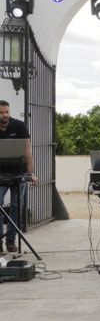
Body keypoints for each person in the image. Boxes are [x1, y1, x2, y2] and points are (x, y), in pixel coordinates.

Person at [0, 100, 37, 253]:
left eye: (6, 112)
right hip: (0, 173)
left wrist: (31, 173)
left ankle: (10, 242)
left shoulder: (20, 126)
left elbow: (28, 151)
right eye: (1, 113)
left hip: (19, 171)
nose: (4, 115)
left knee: (16, 207)